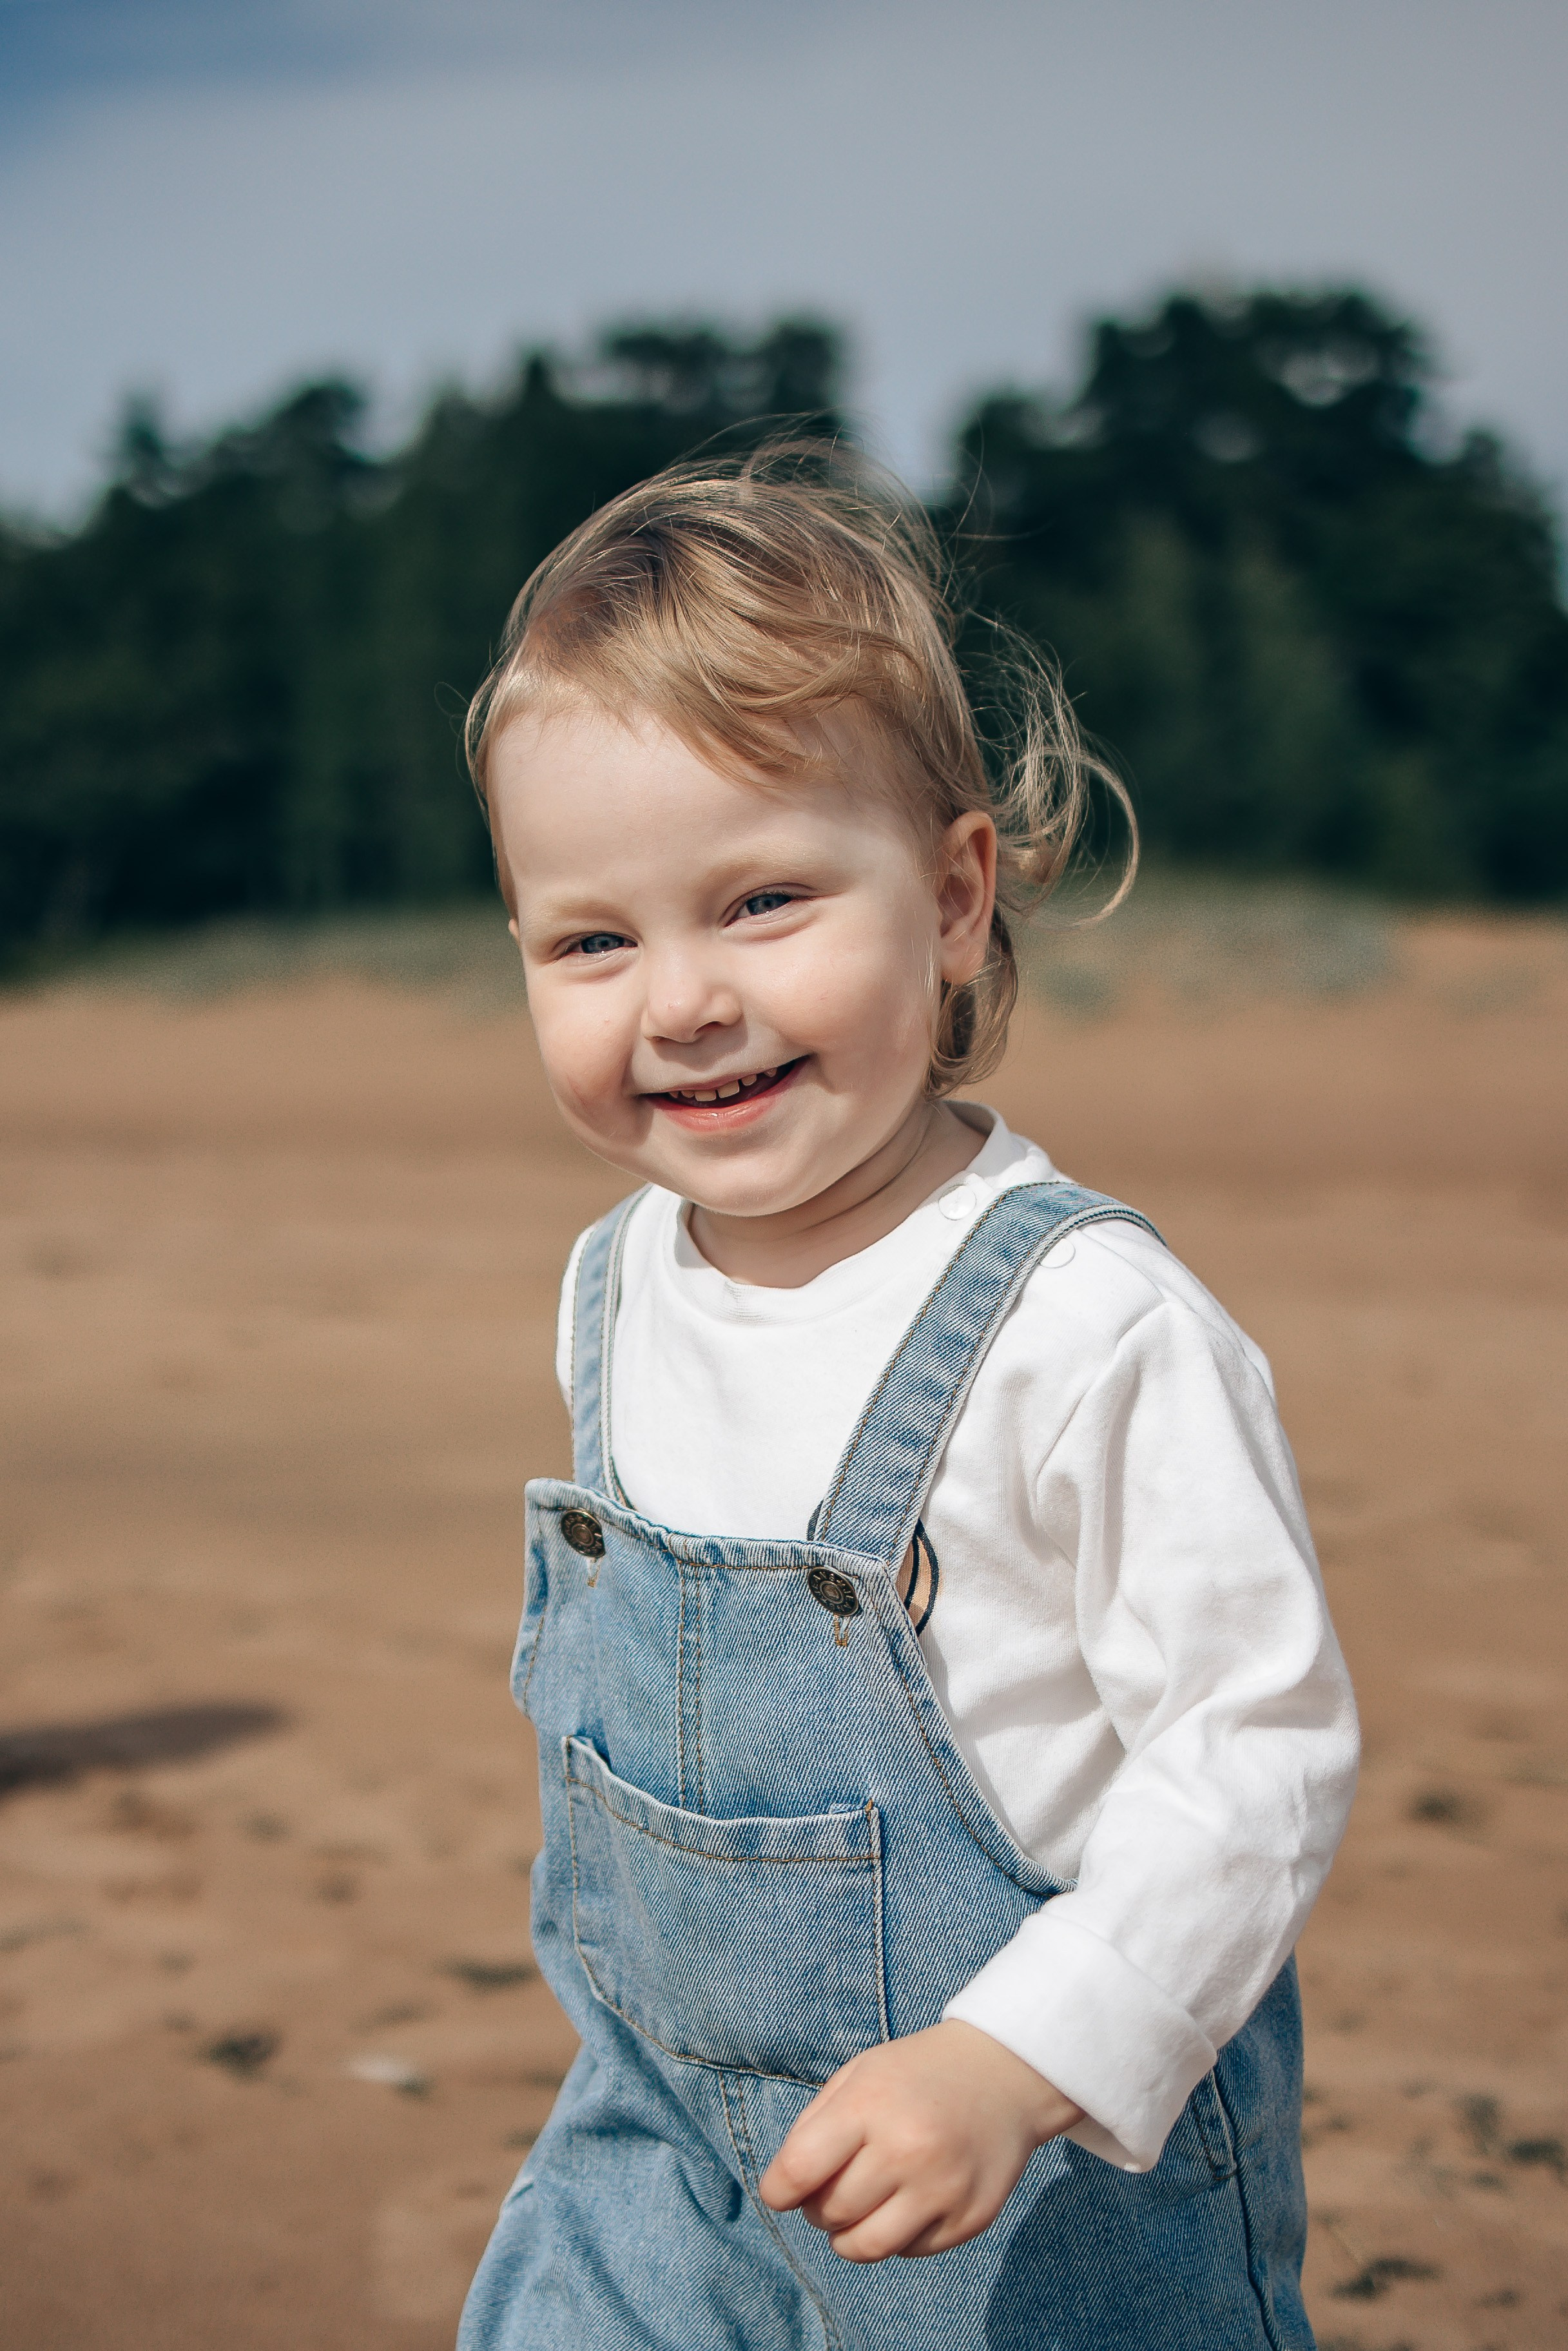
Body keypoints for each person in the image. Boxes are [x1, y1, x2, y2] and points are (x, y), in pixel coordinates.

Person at [456, 446, 1359, 2350]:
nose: (681, 998)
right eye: (593, 940)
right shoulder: (615, 1281)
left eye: (764, 900)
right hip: (664, 2150)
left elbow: (1253, 1757)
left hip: (1035, 2182)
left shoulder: (1081, 1323)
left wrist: (1015, 2060)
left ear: (953, 900)